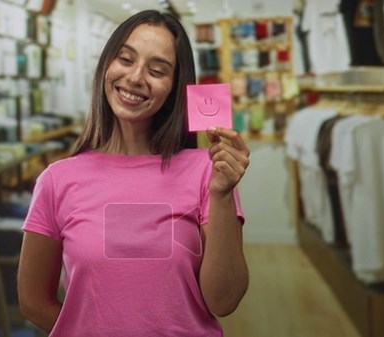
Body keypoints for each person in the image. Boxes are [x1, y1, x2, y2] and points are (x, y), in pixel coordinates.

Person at [17, 9, 250, 336]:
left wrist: (222, 194)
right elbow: (32, 300)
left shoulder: (207, 171)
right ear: (106, 66)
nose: (136, 77)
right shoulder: (58, 180)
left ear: (173, 87)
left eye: (157, 70)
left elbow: (223, 300)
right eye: (125, 59)